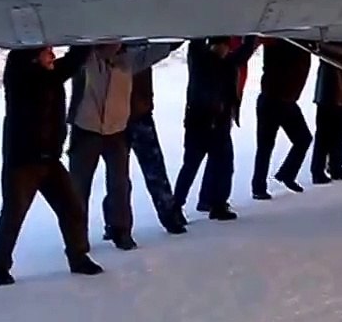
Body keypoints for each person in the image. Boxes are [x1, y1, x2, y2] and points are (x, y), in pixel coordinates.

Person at [0, 46, 103, 285]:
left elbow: (73, 60)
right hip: (22, 162)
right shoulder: (20, 78)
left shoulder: (51, 74)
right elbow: (29, 62)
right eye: (47, 52)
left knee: (72, 207)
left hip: (50, 159)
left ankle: (78, 257)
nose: (52, 55)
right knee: (14, 214)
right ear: (32, 57)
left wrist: (87, 38)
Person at [67, 39, 182, 251]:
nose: (117, 47)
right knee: (79, 188)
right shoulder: (86, 57)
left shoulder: (129, 60)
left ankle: (121, 231)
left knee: (120, 184)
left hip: (117, 129)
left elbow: (160, 50)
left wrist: (178, 30)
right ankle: (76, 239)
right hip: (86, 130)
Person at [173, 35, 259, 221]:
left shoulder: (226, 62)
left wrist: (252, 37)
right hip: (201, 124)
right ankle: (177, 206)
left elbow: (244, 53)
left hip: (216, 124)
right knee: (192, 166)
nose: (224, 50)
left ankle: (217, 204)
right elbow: (196, 43)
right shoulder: (200, 60)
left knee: (222, 166)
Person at [127, 52, 187, 235]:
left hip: (135, 113)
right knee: (146, 172)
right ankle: (170, 216)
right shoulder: (135, 49)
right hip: (128, 115)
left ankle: (170, 215)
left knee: (124, 176)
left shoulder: (136, 47)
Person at [251, 38, 314, 199]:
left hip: (286, 100)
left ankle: (286, 174)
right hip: (273, 100)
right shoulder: (280, 41)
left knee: (303, 139)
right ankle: (259, 187)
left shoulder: (302, 42)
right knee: (266, 146)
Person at [310, 48, 342, 184]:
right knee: (325, 134)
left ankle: (334, 166)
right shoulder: (333, 45)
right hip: (331, 93)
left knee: (339, 133)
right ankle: (320, 169)